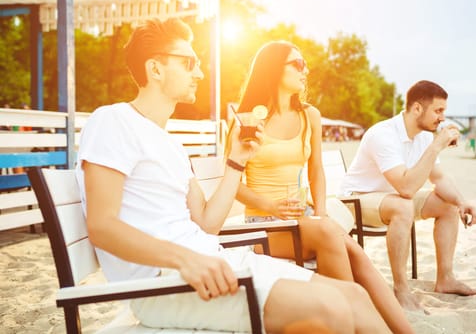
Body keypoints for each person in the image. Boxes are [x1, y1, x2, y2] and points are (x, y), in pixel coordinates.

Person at [75, 17, 392, 333]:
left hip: (210, 262)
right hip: (164, 284)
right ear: (155, 69)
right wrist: (185, 259)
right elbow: (102, 226)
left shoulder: (172, 144)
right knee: (332, 311)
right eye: (188, 63)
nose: (199, 72)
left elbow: (207, 223)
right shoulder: (113, 121)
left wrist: (236, 164)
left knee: (354, 296)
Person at [226, 40, 413, 334]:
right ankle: (354, 324)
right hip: (263, 225)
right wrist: (272, 206)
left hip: (305, 218)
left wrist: (321, 211)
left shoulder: (309, 115)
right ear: (274, 69)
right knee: (329, 234)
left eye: (305, 65)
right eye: (297, 64)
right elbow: (232, 183)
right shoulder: (247, 119)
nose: (306, 70)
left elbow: (316, 171)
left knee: (356, 254)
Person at [339, 80, 476, 311]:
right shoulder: (383, 134)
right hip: (356, 200)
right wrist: (436, 146)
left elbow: (437, 178)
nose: (442, 118)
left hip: (392, 198)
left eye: (444, 112)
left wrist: (461, 201)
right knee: (403, 205)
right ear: (417, 108)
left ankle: (445, 279)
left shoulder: (423, 136)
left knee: (447, 205)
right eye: (438, 111)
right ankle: (401, 289)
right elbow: (407, 188)